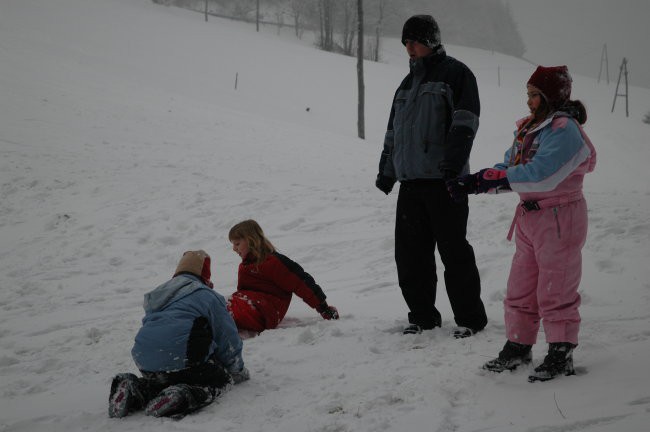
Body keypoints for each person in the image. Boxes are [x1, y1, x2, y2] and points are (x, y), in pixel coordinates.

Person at [447, 65, 597, 382]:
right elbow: (511, 167)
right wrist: (476, 182)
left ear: (550, 96)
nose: (528, 101)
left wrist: (491, 180)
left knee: (556, 288)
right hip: (530, 217)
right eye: (527, 95)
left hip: (559, 217)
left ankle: (561, 351)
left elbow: (541, 175)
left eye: (534, 95)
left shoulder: (563, 130)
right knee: (520, 288)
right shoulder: (530, 128)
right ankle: (518, 345)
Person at [375, 14, 487, 337]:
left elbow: (465, 122)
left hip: (445, 183)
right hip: (411, 184)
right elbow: (393, 133)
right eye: (406, 43)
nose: (409, 48)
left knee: (454, 253)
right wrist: (387, 173)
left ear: (431, 41)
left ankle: (470, 319)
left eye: (415, 41)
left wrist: (452, 166)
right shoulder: (406, 85)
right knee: (410, 257)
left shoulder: (457, 75)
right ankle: (422, 316)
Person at [108, 250, 249, 419]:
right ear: (205, 275)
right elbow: (227, 337)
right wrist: (236, 369)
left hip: (146, 361)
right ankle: (182, 396)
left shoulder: (159, 295)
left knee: (162, 381)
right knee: (219, 380)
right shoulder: (207, 296)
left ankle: (135, 388)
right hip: (182, 360)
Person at [227, 219, 339, 333]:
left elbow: (300, 282)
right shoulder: (245, 266)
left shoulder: (273, 262)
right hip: (248, 306)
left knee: (222, 309)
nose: (234, 249)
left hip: (265, 311)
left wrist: (323, 308)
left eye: (237, 244)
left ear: (252, 241)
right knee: (217, 303)